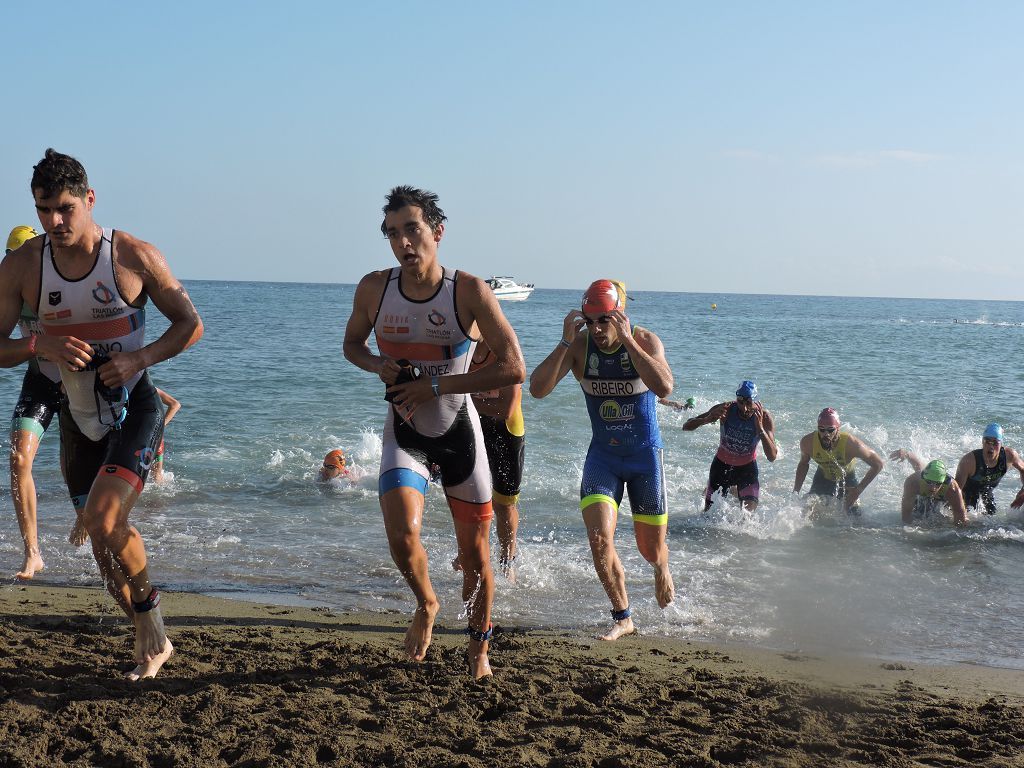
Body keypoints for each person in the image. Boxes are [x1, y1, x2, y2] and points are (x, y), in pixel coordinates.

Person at [0, 149, 203, 680]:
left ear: (90, 200)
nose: (55, 221)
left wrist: (139, 357)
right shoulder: (23, 265)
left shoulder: (132, 256)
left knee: (105, 518)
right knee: (108, 561)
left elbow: (189, 324)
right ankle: (144, 624)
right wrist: (40, 346)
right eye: (44, 210)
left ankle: (151, 619)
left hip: (135, 405)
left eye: (66, 207)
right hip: (75, 418)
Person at [342, 185, 525, 679]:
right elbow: (351, 346)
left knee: (474, 557)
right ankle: (426, 604)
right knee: (402, 534)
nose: (403, 241)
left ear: (437, 232)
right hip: (405, 434)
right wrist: (378, 365)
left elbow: (513, 368)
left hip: (459, 433)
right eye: (393, 233)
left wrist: (436, 385)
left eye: (412, 229)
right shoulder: (374, 289)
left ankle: (479, 649)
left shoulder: (466, 291)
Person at [529, 279, 675, 641]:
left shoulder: (644, 341)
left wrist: (627, 342)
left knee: (649, 548)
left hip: (644, 457)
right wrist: (565, 341)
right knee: (599, 539)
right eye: (590, 320)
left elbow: (665, 387)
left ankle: (661, 567)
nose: (596, 329)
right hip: (604, 457)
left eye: (604, 320)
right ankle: (623, 616)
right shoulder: (579, 347)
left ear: (621, 316)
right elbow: (538, 389)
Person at [6, 225, 67, 579]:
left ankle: (86, 520)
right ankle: (33, 553)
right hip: (40, 381)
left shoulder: (62, 282)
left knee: (76, 466)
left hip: (78, 384)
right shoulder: (11, 291)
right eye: (11, 257)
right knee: (18, 459)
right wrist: (33, 347)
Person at [453, 339, 525, 582]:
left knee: (504, 504)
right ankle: (467, 551)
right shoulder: (459, 347)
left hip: (505, 431)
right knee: (467, 495)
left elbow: (505, 408)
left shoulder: (504, 351)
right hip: (471, 426)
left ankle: (507, 561)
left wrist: (464, 400)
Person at [683, 381, 778, 511]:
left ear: (756, 401)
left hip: (747, 470)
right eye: (740, 402)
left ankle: (734, 490)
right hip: (721, 468)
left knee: (748, 520)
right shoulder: (726, 409)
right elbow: (686, 426)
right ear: (736, 399)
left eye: (749, 403)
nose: (744, 408)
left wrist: (760, 429)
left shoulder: (765, 417)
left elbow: (772, 456)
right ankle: (729, 490)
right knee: (707, 518)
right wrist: (707, 419)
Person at [793, 407, 885, 512]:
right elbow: (804, 464)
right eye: (821, 429)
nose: (826, 434)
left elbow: (878, 464)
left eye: (830, 430)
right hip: (822, 477)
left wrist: (858, 490)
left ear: (838, 429)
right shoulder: (808, 442)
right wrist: (795, 492)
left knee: (853, 518)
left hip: (847, 479)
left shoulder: (851, 444)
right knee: (808, 510)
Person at [954, 424, 1024, 514]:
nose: (991, 447)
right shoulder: (969, 461)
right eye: (987, 441)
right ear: (982, 442)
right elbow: (955, 491)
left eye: (995, 443)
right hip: (967, 493)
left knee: (992, 519)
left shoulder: (1009, 456)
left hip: (987, 491)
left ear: (1001, 444)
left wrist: (1022, 493)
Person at [890, 450, 967, 526]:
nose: (933, 488)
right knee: (918, 512)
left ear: (943, 482)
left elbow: (961, 521)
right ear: (923, 478)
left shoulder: (952, 489)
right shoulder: (913, 483)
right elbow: (906, 516)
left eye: (938, 484)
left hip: (944, 498)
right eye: (929, 482)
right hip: (921, 488)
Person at [149, 388, 181, 484]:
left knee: (156, 476)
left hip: (153, 437)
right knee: (156, 476)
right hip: (150, 436)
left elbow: (175, 404)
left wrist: (160, 426)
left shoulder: (150, 389)